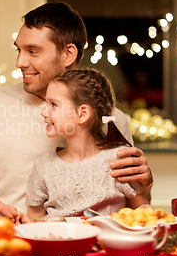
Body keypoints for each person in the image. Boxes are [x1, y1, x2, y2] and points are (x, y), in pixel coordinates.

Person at [0, 1, 153, 226]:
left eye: (33, 51)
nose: (19, 62)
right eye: (19, 50)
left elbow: (133, 205)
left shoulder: (110, 118)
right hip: (9, 244)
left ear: (68, 53)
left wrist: (145, 180)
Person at [26, 69, 150, 221]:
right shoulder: (43, 166)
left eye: (53, 104)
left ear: (82, 114)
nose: (44, 112)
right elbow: (33, 219)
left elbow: (141, 208)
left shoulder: (118, 160)